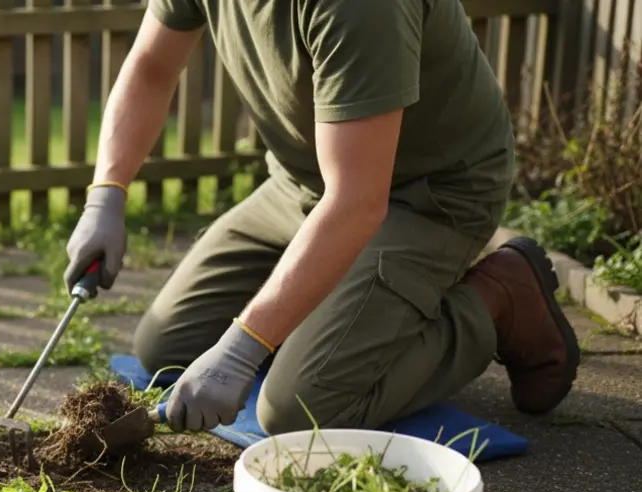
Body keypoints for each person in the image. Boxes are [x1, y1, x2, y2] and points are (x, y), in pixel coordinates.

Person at [63, 0, 580, 435]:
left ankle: (499, 297)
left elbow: (358, 199)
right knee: (166, 350)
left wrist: (244, 348)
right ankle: (334, 314)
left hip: (427, 196)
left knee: (297, 411)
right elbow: (152, 69)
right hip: (302, 184)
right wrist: (105, 195)